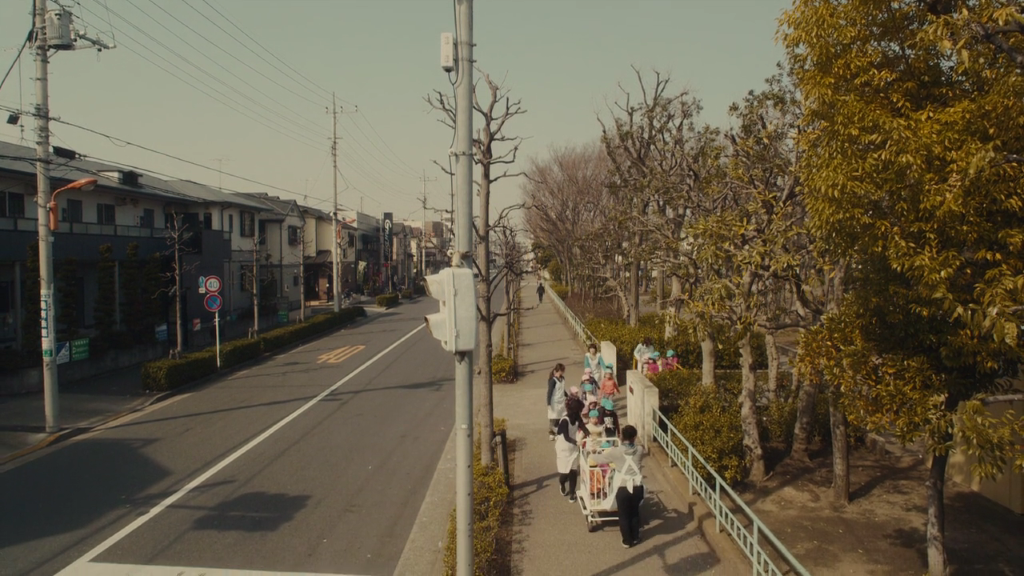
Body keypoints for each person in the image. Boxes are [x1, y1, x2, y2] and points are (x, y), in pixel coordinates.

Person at [589, 425, 645, 548]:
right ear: (635, 437)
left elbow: (599, 459)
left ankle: (627, 541)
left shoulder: (615, 452)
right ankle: (635, 538)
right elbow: (638, 449)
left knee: (623, 515)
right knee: (634, 513)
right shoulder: (640, 450)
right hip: (637, 487)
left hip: (623, 488)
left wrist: (592, 453)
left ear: (621, 437)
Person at [555, 397, 589, 502]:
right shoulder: (564, 421)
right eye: (579, 410)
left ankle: (572, 494)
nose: (580, 412)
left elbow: (583, 427)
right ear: (574, 410)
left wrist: (589, 435)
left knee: (573, 471)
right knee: (565, 473)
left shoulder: (577, 417)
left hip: (573, 448)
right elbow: (566, 437)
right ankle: (562, 483)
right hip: (563, 448)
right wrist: (576, 442)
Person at [546, 363, 567, 441]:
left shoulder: (563, 379)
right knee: (553, 417)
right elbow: (549, 392)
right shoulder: (552, 380)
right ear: (560, 370)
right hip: (554, 401)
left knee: (559, 416)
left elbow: (562, 389)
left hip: (561, 401)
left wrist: (568, 396)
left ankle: (557, 432)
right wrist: (548, 403)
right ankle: (551, 433)